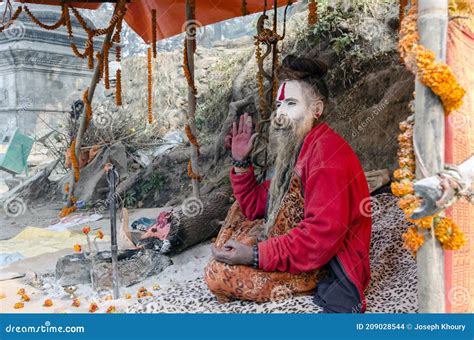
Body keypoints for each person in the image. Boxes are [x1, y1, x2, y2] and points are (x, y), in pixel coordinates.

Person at [204, 55, 372, 313]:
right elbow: (253, 206)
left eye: (291, 103)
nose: (280, 113)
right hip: (300, 250)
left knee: (219, 274)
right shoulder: (300, 148)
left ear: (316, 110)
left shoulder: (326, 155)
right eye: (279, 104)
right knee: (237, 217)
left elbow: (319, 239)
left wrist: (254, 255)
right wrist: (240, 161)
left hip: (326, 263)